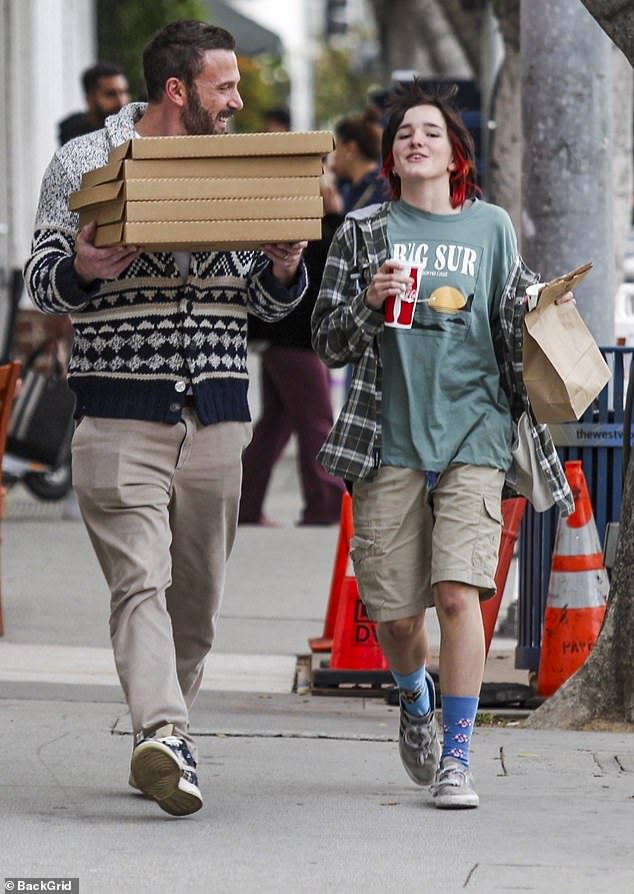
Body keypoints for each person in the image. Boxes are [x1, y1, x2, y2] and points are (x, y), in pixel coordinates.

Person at [25, 19, 308, 817]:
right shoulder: (84, 162)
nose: (238, 100)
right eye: (226, 86)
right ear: (179, 89)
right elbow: (43, 281)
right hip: (119, 411)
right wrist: (81, 267)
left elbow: (267, 300)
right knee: (139, 583)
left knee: (197, 604)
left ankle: (162, 743)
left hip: (217, 412)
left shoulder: (246, 168)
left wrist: (286, 265)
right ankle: (164, 728)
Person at [311, 80, 574, 809]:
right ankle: (414, 696)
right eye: (402, 135)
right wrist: (367, 302)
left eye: (429, 132)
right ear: (392, 159)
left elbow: (511, 307)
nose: (414, 141)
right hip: (386, 438)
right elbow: (326, 342)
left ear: (454, 153)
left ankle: (457, 758)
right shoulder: (364, 233)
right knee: (396, 616)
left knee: (458, 595)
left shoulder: (490, 227)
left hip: (476, 434)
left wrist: (542, 307)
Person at [239, 165, 345, 526]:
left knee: (276, 423)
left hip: (279, 339)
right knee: (317, 421)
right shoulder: (311, 226)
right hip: (297, 341)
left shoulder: (287, 220)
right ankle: (324, 505)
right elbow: (332, 263)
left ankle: (243, 503)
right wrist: (334, 216)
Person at [332, 107, 390, 213]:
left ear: (350, 148)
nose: (334, 157)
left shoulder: (383, 191)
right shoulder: (348, 190)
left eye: (336, 149)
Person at [58, 62, 130, 145]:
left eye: (124, 93)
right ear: (90, 98)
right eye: (110, 94)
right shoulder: (73, 133)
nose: (121, 102)